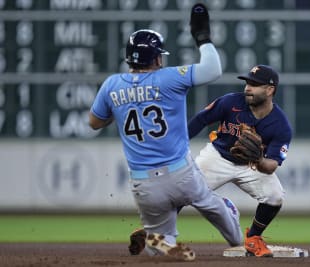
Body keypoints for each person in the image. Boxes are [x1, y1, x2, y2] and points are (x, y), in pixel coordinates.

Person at [88, 3, 242, 261]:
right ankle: (237, 239)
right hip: (181, 173)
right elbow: (213, 70)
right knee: (214, 207)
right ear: (157, 58)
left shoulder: (111, 85)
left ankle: (160, 241)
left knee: (156, 241)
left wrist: (120, 107)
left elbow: (94, 122)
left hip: (144, 183)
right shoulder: (169, 78)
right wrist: (202, 37)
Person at [188, 64, 292, 257]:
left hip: (251, 165)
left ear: (270, 90)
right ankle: (159, 233)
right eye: (247, 83)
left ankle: (253, 238)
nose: (248, 88)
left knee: (275, 196)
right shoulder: (230, 102)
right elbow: (200, 120)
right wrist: (178, 146)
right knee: (183, 191)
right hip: (218, 157)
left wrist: (259, 158)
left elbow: (271, 166)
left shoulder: (281, 125)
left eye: (255, 84)